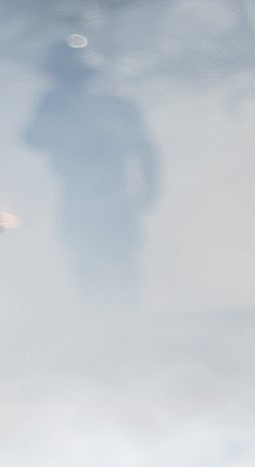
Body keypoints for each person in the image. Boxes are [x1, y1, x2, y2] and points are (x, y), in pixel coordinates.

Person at [25, 33, 158, 307]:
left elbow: (145, 150)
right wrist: (149, 189)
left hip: (107, 197)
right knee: (92, 261)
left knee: (112, 262)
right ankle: (105, 323)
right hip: (87, 197)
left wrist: (150, 188)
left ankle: (119, 321)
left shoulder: (115, 105)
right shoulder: (55, 104)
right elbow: (34, 138)